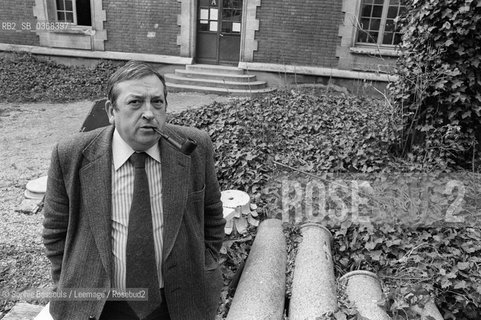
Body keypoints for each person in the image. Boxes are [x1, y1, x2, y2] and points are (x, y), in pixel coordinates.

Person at [42, 60, 226, 320]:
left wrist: (206, 263)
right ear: (111, 110)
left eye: (157, 102)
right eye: (135, 102)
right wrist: (69, 282)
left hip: (177, 301)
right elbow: (55, 231)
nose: (149, 113)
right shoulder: (71, 154)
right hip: (99, 304)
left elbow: (212, 214)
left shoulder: (195, 148)